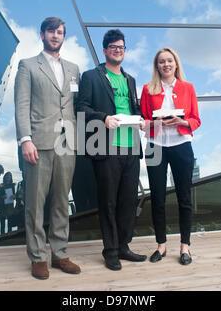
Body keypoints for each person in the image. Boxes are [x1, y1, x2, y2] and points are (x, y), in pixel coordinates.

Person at [14, 17, 81, 280]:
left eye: (60, 32)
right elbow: (21, 105)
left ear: (64, 36)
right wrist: (25, 139)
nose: (56, 36)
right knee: (35, 202)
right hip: (38, 143)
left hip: (67, 143)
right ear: (42, 34)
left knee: (61, 202)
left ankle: (60, 253)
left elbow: (76, 105)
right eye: (51, 31)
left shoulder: (74, 68)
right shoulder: (28, 65)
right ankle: (38, 257)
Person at [76, 29, 147, 271]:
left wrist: (141, 120)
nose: (118, 51)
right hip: (106, 146)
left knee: (128, 201)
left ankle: (124, 246)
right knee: (108, 202)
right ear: (105, 50)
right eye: (113, 47)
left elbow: (134, 108)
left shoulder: (131, 80)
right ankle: (110, 251)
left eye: (122, 47)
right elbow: (81, 107)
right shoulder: (91, 76)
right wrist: (103, 117)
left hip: (131, 146)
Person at [140, 47, 201, 265]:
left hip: (181, 145)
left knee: (184, 198)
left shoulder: (188, 88)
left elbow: (195, 119)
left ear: (176, 64)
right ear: (157, 66)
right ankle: (161, 246)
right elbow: (144, 120)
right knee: (157, 198)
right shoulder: (148, 89)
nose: (166, 64)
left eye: (169, 61)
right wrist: (155, 123)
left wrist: (181, 122)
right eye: (161, 61)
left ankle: (185, 247)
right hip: (155, 145)